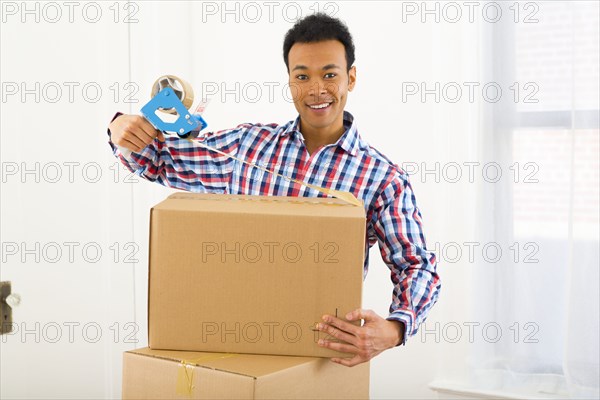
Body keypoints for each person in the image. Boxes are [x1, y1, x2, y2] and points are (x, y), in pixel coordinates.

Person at [107, 13, 440, 367]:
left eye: (329, 74)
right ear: (290, 82)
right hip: (234, 345)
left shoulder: (382, 178)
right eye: (302, 76)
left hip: (322, 358)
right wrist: (122, 130)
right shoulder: (246, 148)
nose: (316, 89)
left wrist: (394, 329)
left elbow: (417, 266)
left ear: (351, 78)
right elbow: (159, 160)